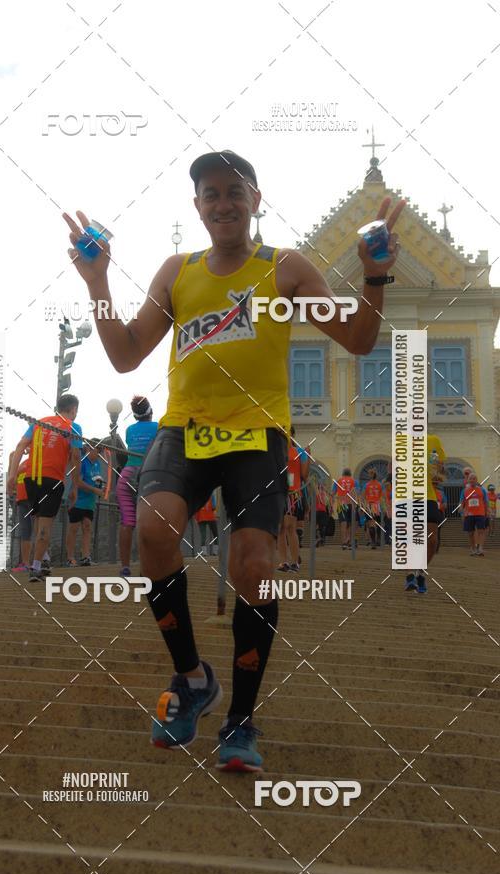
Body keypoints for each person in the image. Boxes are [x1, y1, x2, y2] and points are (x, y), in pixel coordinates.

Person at [64, 148, 403, 770]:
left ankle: (241, 720)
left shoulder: (285, 267)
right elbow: (125, 354)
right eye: (211, 194)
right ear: (197, 207)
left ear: (255, 200)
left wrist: (374, 277)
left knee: (254, 567)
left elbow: (358, 339)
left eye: (234, 192)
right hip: (184, 430)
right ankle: (193, 679)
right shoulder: (178, 271)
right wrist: (98, 284)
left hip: (256, 436)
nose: (223, 203)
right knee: (156, 530)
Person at [7, 394, 81, 582]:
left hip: (31, 479)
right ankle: (36, 567)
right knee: (45, 525)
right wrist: (75, 487)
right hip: (52, 480)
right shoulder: (73, 427)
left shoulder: (39, 422)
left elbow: (20, 445)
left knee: (39, 519)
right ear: (73, 409)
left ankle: (44, 558)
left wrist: (12, 475)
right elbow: (75, 456)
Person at [115, 397, 158, 577]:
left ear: (134, 415)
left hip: (126, 477)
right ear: (150, 411)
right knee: (151, 523)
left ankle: (125, 568)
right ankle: (150, 566)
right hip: (149, 475)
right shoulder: (158, 427)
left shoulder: (130, 430)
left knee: (127, 522)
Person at [404, 435, 446, 594]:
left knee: (433, 540)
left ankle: (420, 572)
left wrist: (438, 471)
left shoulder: (433, 441)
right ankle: (410, 576)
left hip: (428, 497)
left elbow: (440, 469)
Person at [66, 440, 105, 566]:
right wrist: (94, 489)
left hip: (90, 502)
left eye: (101, 451)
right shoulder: (82, 462)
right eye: (98, 450)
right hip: (78, 500)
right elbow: (77, 481)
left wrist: (100, 487)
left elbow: (95, 478)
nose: (99, 453)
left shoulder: (97, 464)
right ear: (89, 449)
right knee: (74, 528)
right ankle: (70, 558)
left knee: (87, 526)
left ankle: (85, 557)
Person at [277, 429, 308, 571]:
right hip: (280, 493)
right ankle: (284, 562)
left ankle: (294, 562)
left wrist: (307, 457)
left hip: (292, 494)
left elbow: (304, 475)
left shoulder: (299, 452)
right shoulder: (276, 451)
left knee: (289, 527)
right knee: (281, 529)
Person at [10, 455, 33, 572]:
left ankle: (42, 561)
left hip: (33, 499)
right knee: (25, 531)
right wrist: (11, 459)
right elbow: (13, 480)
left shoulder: (39, 461)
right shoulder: (22, 463)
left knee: (38, 530)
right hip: (21, 500)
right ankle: (26, 563)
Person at [460, 473, 488, 557]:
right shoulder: (464, 491)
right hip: (469, 515)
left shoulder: (482, 490)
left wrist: (487, 511)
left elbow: (486, 501)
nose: (472, 480)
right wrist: (461, 511)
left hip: (480, 513)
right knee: (470, 533)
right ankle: (473, 548)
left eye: (474, 478)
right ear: (468, 480)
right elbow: (462, 502)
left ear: (476, 480)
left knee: (481, 531)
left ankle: (480, 548)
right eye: (470, 478)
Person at [334, 468, 357, 550]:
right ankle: (350, 542)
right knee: (350, 524)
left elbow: (333, 493)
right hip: (351, 504)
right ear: (350, 473)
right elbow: (356, 493)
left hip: (341, 504)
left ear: (343, 474)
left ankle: (344, 542)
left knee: (343, 523)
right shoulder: (354, 481)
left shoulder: (338, 481)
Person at [363, 469, 384, 549]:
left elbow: (363, 496)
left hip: (369, 505)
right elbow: (382, 497)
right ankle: (378, 539)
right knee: (378, 523)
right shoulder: (380, 485)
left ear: (370, 475)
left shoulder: (366, 485)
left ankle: (373, 542)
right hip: (377, 505)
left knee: (371, 523)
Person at [315, 481, 330, 547]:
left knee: (317, 526)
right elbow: (327, 503)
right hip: (322, 512)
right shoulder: (324, 495)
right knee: (322, 526)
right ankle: (321, 539)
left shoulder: (317, 494)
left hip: (317, 512)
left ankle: (318, 538)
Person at [383, 471, 393, 545]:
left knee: (389, 526)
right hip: (387, 512)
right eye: (386, 485)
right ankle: (387, 539)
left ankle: (389, 539)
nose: (387, 486)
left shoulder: (392, 492)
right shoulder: (384, 492)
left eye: (388, 485)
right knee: (387, 526)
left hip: (391, 512)